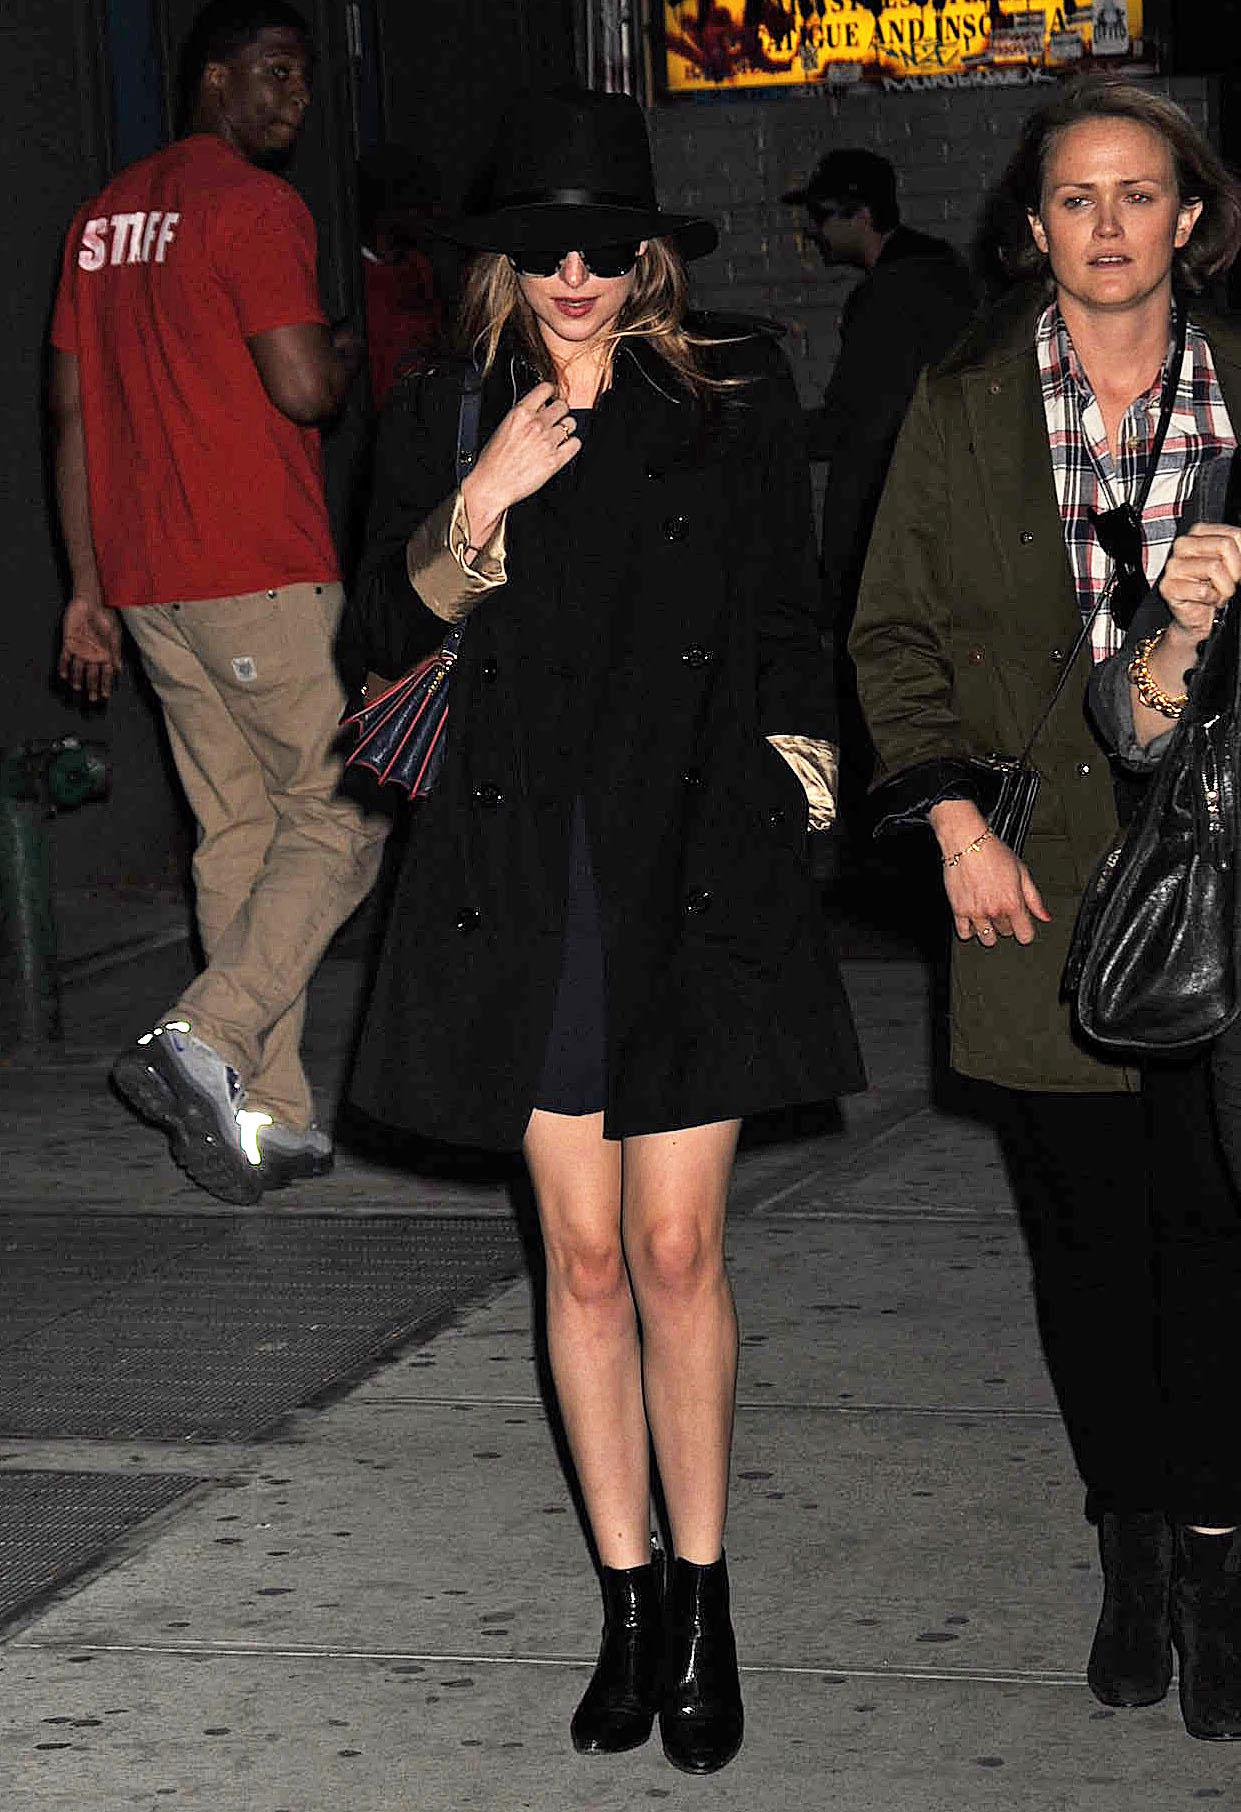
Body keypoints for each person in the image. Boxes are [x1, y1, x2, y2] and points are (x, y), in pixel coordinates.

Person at [341, 87, 864, 1774]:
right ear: (503, 259)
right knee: (577, 1258)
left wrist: (798, 787)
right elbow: (376, 630)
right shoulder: (444, 408)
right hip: (530, 873)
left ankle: (706, 1601)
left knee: (675, 1251)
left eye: (603, 247)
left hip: (694, 863)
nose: (574, 277)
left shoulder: (731, 390)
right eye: (543, 249)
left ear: (647, 253)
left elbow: (785, 617)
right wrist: (479, 501)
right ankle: (627, 1603)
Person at [850, 81, 1241, 1743]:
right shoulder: (963, 402)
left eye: (1137, 194)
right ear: (1032, 227)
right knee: (1088, 1255)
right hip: (1033, 882)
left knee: (1212, 1241)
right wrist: (949, 823)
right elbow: (890, 633)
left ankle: (1217, 1567)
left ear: (1190, 218)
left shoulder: (1239, 395)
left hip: (1224, 874)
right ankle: (1130, 1552)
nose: (1106, 225)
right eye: (1075, 198)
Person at [50, 0, 388, 1205]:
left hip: (151, 582)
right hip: (256, 564)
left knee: (241, 835)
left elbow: (71, 409)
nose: (294, 98)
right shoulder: (254, 206)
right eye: (275, 73)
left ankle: (263, 1115)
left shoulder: (100, 220)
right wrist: (341, 356)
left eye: (302, 78)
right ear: (211, 78)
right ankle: (206, 1033)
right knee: (347, 814)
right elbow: (302, 391)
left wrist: (87, 588)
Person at [780, 149, 976, 656]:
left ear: (862, 216)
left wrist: (767, 430)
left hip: (894, 519)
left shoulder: (895, 292)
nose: (814, 231)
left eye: (822, 216)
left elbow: (859, 420)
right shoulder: (941, 276)